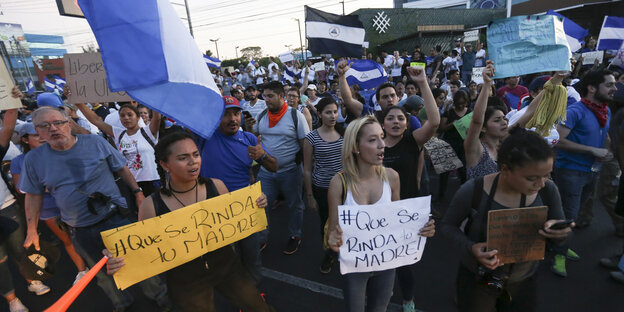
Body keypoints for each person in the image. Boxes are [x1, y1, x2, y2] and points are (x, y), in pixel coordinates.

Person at [20, 106, 170, 311]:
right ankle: (122, 304)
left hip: (117, 218)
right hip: (79, 228)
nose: (53, 129)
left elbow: (121, 168)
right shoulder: (33, 160)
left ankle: (161, 299)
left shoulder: (95, 143)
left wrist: (137, 193)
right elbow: (33, 195)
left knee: (140, 262)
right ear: (37, 131)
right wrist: (31, 229)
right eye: (45, 126)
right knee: (102, 274)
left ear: (68, 123)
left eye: (58, 123)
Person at [105, 132, 274, 312]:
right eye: (182, 158)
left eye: (195, 154)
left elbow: (237, 219)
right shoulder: (150, 206)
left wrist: (256, 203)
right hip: (186, 282)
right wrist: (119, 260)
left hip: (227, 267)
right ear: (164, 164)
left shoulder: (217, 186)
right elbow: (143, 250)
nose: (193, 161)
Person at [441, 127, 573, 312]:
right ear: (505, 169)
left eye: (547, 175)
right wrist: (471, 248)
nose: (541, 184)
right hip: (477, 280)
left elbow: (562, 236)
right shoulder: (474, 190)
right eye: (531, 178)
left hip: (523, 279)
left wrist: (558, 233)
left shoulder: (548, 191)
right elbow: (448, 226)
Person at [326, 116, 435, 312]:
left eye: (382, 137)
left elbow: (398, 222)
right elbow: (332, 233)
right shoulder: (338, 183)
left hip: (387, 265)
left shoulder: (392, 177)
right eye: (372, 140)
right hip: (355, 267)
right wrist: (334, 239)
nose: (382, 145)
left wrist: (421, 228)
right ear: (354, 147)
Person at [197, 96, 277, 282]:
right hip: (216, 213)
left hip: (245, 212)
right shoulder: (204, 137)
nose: (232, 119)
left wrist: (262, 155)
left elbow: (274, 167)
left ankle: (254, 299)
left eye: (236, 113)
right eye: (226, 114)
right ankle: (236, 297)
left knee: (252, 259)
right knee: (226, 262)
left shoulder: (249, 138)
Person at [381, 66, 440, 312]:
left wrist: (423, 82)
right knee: (380, 259)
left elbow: (435, 121)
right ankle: (382, 293)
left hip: (407, 209)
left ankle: (408, 300)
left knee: (403, 262)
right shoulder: (373, 144)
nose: (396, 121)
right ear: (381, 124)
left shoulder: (413, 141)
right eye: (391, 118)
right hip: (378, 211)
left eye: (401, 118)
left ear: (407, 124)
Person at [552, 69, 617, 277]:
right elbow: (558, 141)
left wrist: (607, 149)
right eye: (609, 84)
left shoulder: (605, 111)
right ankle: (558, 253)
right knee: (567, 215)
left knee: (575, 213)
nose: (614, 88)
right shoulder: (574, 111)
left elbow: (603, 135)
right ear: (591, 88)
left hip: (592, 172)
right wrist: (591, 150)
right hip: (571, 171)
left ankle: (558, 244)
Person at [11, 122, 88, 284]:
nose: (42, 137)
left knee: (87, 235)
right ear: (25, 139)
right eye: (36, 134)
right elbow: (20, 188)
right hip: (47, 209)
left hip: (72, 203)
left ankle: (101, 266)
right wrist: (49, 185)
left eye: (43, 133)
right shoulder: (18, 161)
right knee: (67, 240)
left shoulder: (58, 151)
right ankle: (83, 271)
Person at [0, 87, 48, 312]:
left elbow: (9, 126)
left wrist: (12, 99)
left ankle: (33, 282)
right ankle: (13, 300)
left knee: (22, 248)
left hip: (6, 207)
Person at [254, 81, 310, 254]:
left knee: (295, 205)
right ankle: (261, 237)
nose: (266, 99)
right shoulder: (262, 115)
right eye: (265, 96)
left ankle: (295, 235)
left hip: (290, 171)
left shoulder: (295, 116)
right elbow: (256, 136)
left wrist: (306, 170)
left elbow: (305, 144)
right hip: (265, 172)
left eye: (270, 96)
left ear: (281, 96)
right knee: (260, 205)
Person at [76, 102, 162, 197]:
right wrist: (79, 103)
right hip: (133, 186)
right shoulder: (119, 134)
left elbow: (157, 117)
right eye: (122, 116)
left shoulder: (148, 131)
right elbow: (97, 121)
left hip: (153, 181)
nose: (126, 118)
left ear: (138, 117)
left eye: (130, 115)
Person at [303, 97, 344, 274]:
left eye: (335, 111)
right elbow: (307, 169)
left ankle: (346, 252)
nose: (333, 115)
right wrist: (310, 196)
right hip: (322, 189)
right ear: (319, 114)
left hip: (345, 187)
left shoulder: (344, 133)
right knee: (327, 223)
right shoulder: (311, 137)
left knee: (347, 221)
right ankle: (329, 254)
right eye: (328, 112)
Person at [438, 90, 471, 198]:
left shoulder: (470, 112)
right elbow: (441, 128)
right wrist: (452, 124)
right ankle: (440, 195)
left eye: (463, 103)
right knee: (444, 173)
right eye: (459, 103)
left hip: (464, 145)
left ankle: (465, 195)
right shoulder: (449, 112)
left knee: (463, 172)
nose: (461, 106)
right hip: (449, 143)